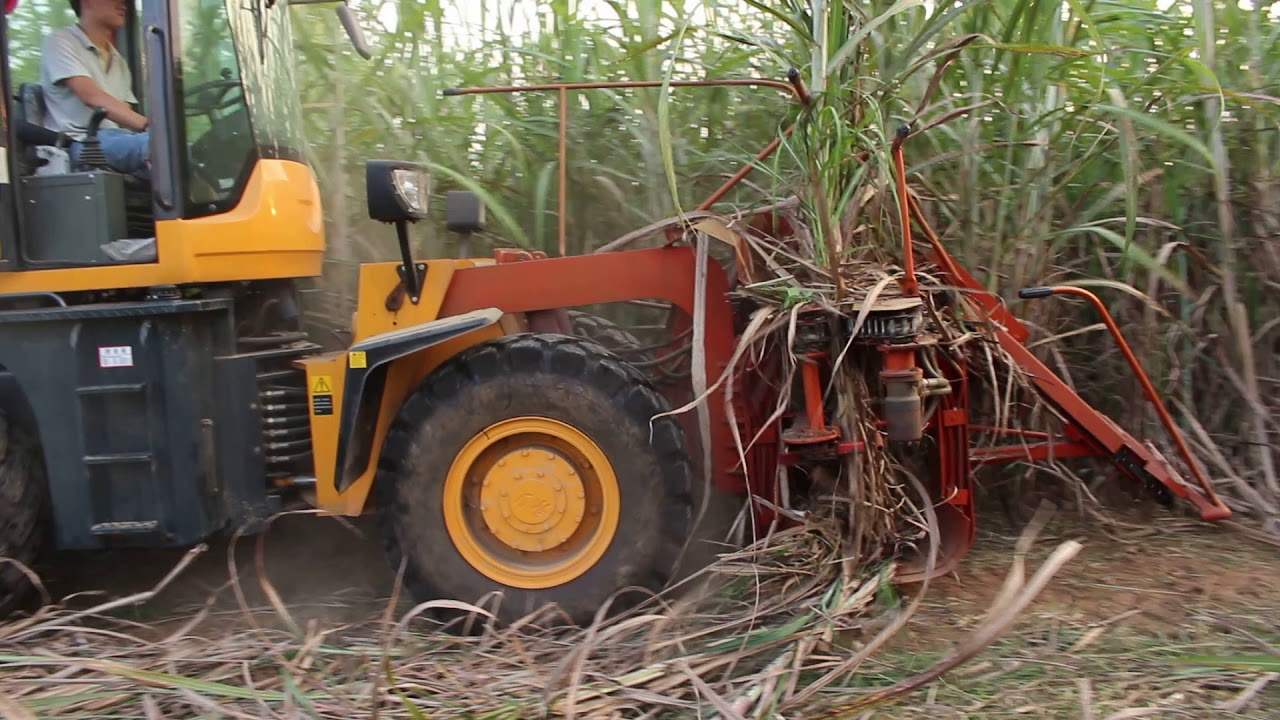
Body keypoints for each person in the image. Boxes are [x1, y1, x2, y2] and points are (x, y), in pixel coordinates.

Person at [40, 0, 150, 179]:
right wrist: (150, 126)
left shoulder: (119, 62)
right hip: (80, 144)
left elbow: (124, 113)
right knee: (158, 146)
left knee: (182, 153)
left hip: (116, 140)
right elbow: (90, 96)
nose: (123, 4)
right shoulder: (60, 41)